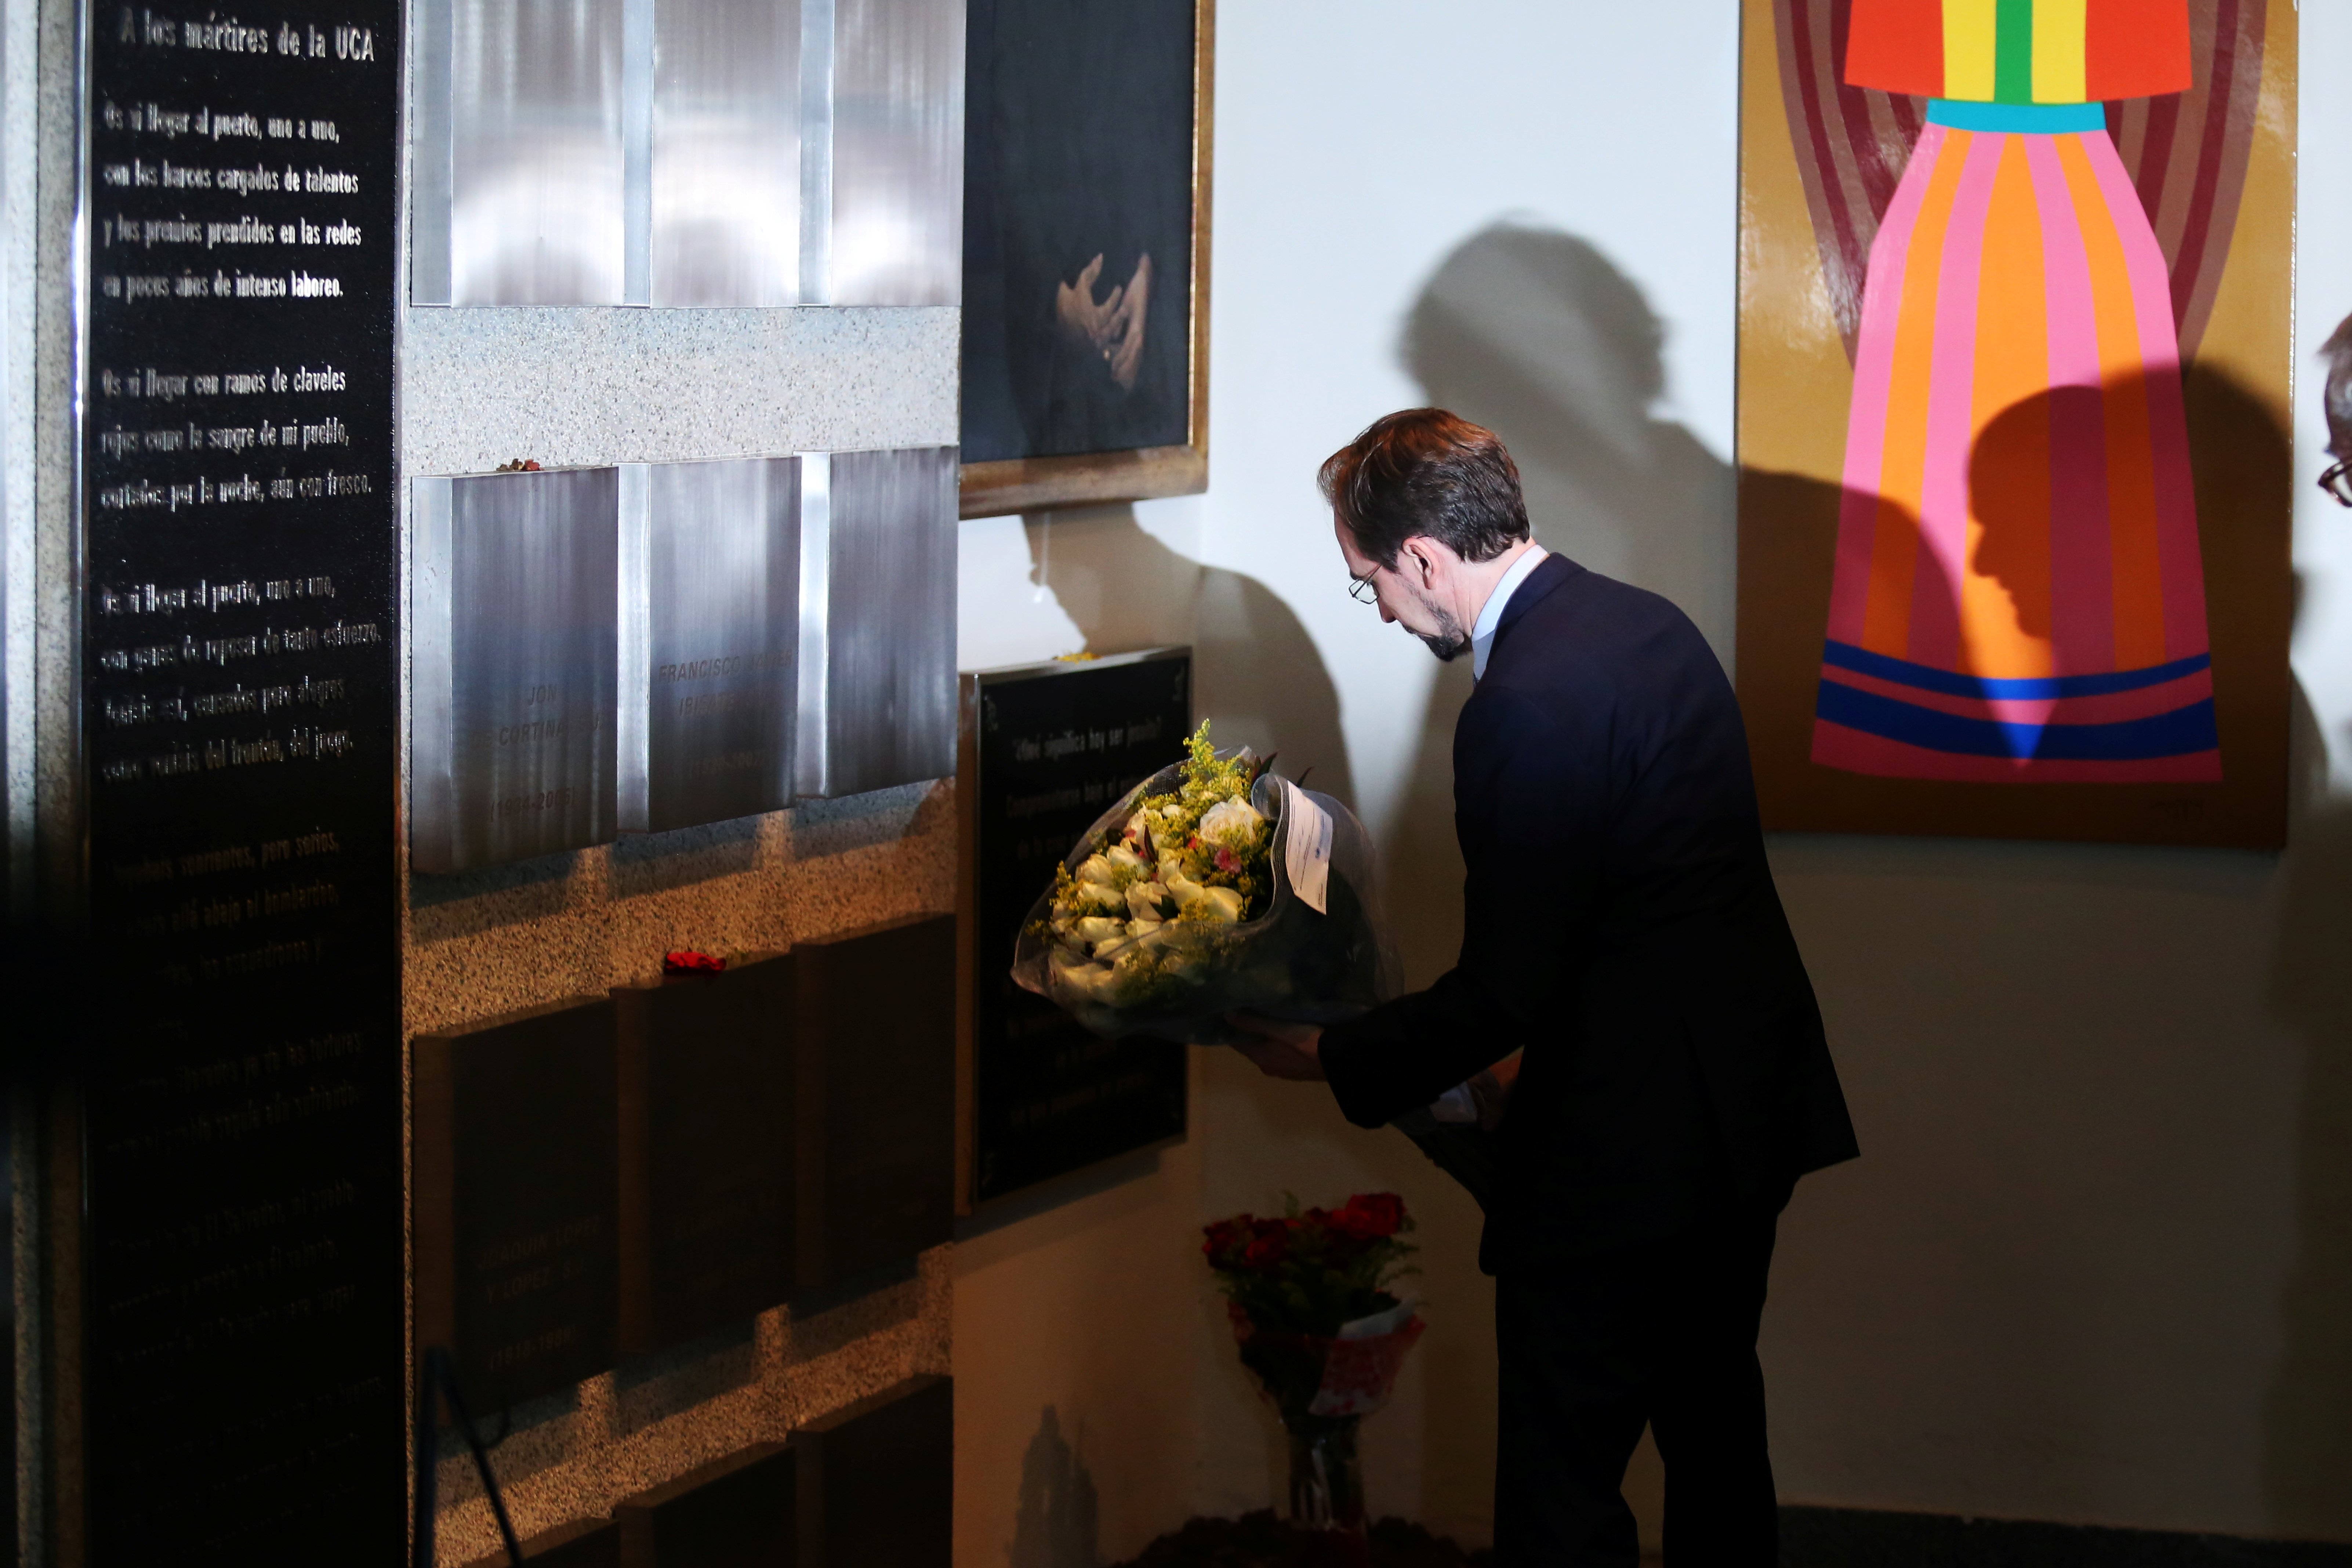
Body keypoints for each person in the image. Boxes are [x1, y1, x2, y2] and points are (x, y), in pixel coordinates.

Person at [1227, 410, 1859, 1566]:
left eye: (1367, 581)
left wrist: (1330, 1055)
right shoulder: (1641, 623)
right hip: (1740, 1111)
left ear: (1424, 556)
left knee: (1562, 1493)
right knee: (1717, 1441)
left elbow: (1509, 989)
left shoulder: (1522, 702)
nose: (1377, 608)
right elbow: (1644, 916)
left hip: (1626, 1158)